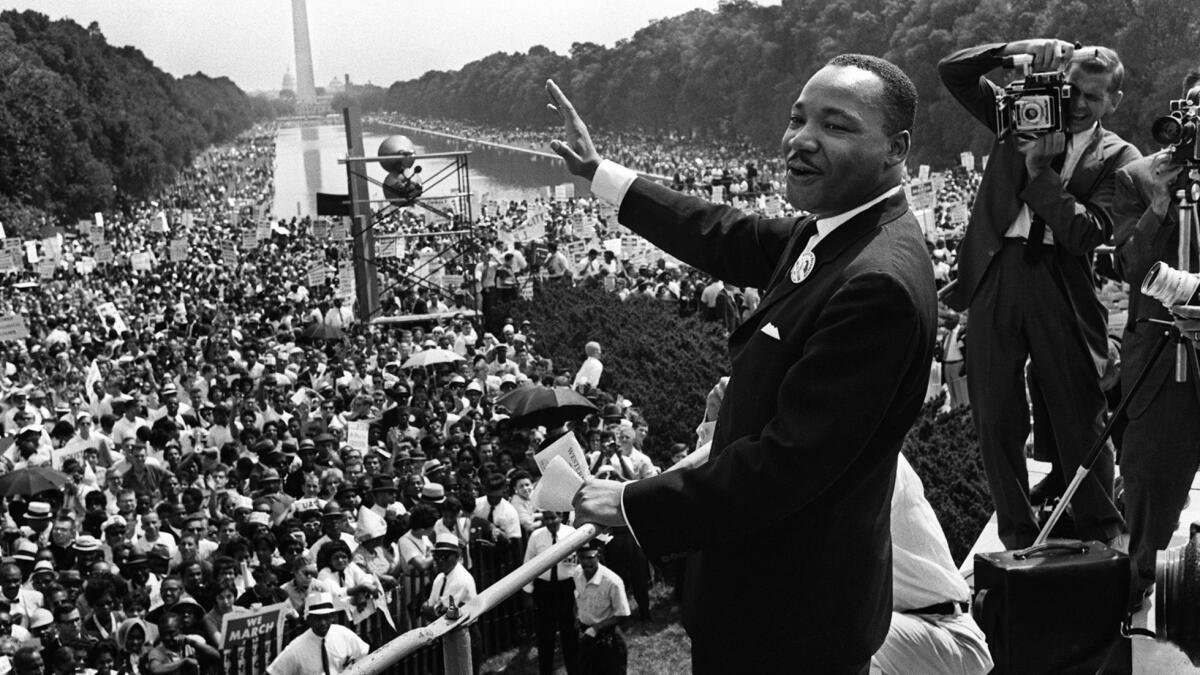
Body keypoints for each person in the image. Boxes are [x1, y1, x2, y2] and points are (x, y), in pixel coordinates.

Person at [553, 52, 937, 673]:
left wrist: (632, 501)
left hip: (791, 622)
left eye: (836, 126)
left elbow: (785, 467)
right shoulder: (835, 233)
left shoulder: (877, 282)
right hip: (770, 602)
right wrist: (602, 174)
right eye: (797, 119)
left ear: (896, 148)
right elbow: (721, 232)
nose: (801, 140)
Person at [938, 40, 1139, 549]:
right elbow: (953, 72)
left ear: (1112, 101)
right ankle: (1017, 536)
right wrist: (1011, 51)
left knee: (1081, 412)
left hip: (1062, 280)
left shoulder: (1120, 157)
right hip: (996, 272)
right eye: (1071, 89)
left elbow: (1085, 234)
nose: (1075, 104)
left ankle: (1101, 532)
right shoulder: (1019, 113)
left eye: (1092, 97)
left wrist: (1038, 175)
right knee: (995, 413)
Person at [1110, 76, 1200, 609]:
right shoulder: (1141, 177)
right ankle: (1136, 588)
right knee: (1150, 481)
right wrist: (1161, 204)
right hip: (1161, 358)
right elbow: (1130, 266)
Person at [522, 511, 579, 675]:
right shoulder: (536, 536)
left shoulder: (572, 534)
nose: (551, 521)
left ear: (561, 517)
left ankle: (574, 670)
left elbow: (578, 564)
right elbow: (528, 564)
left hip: (567, 588)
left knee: (570, 636)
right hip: (544, 590)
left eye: (554, 517)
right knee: (545, 636)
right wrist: (528, 593)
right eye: (547, 518)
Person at [267, 592, 368, 675]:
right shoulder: (296, 649)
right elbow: (273, 672)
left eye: (326, 617)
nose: (323, 623)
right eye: (318, 618)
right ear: (309, 619)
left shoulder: (343, 634)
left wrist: (351, 667)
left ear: (332, 617)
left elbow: (364, 654)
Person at [573, 542, 630, 675]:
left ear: (598, 555)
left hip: (608, 638)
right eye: (582, 558)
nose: (586, 562)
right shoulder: (577, 573)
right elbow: (578, 596)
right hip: (586, 635)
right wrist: (576, 616)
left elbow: (623, 614)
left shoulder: (612, 581)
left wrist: (596, 628)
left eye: (590, 557)